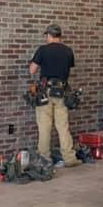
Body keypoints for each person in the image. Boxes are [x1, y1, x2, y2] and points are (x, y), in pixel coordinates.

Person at [29, 25, 81, 168]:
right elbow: (67, 69)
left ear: (49, 35)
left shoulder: (43, 50)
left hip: (45, 93)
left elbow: (32, 70)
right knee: (63, 127)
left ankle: (44, 159)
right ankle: (69, 158)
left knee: (44, 127)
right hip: (62, 93)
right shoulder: (68, 51)